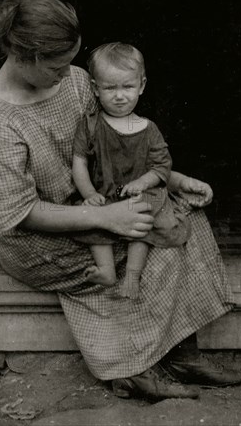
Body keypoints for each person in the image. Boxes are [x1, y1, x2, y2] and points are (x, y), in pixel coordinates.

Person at [0, 0, 241, 401]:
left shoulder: (77, 83)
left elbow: (119, 150)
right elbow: (20, 213)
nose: (69, 74)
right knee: (152, 239)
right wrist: (107, 218)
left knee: (178, 218)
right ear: (24, 56)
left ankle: (183, 353)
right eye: (59, 66)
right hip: (38, 239)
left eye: (71, 62)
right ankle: (134, 367)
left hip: (96, 201)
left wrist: (172, 180)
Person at [71, 42, 190, 299]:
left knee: (146, 221)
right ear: (95, 88)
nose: (120, 95)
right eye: (110, 88)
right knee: (88, 216)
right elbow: (79, 163)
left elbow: (161, 167)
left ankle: (132, 278)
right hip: (104, 193)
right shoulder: (90, 125)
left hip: (138, 196)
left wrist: (143, 183)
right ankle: (106, 271)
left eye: (127, 86)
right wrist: (89, 192)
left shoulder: (147, 129)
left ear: (142, 86)